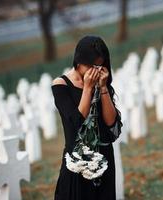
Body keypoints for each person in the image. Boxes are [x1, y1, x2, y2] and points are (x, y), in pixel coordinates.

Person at [51, 35, 122, 200]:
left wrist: (103, 87)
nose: (95, 71)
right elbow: (76, 122)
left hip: (104, 159)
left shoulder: (102, 83)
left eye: (99, 65)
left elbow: (112, 125)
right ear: (78, 61)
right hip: (77, 161)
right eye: (90, 65)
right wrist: (88, 88)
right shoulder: (61, 85)